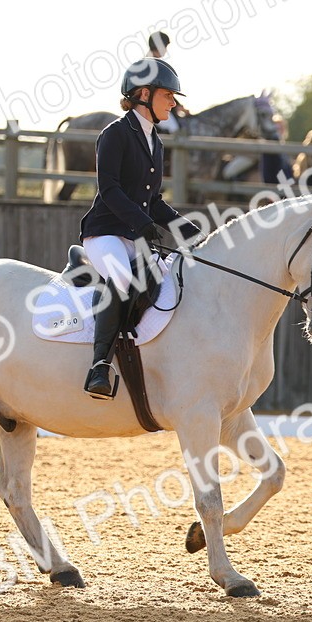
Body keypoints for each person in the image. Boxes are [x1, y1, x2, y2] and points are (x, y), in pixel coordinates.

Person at [79, 58, 203, 399]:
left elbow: (154, 199)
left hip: (134, 233)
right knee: (122, 277)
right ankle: (99, 367)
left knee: (165, 281)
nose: (174, 103)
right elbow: (110, 189)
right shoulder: (115, 134)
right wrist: (143, 224)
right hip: (104, 233)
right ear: (144, 94)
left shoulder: (156, 142)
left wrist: (183, 228)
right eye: (168, 95)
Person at [146, 31, 188, 134]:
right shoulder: (152, 63)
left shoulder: (152, 62)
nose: (165, 50)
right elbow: (160, 90)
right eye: (165, 47)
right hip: (151, 106)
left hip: (152, 103)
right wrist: (176, 105)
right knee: (174, 129)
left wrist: (177, 105)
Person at [259, 113, 294, 184]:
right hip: (277, 184)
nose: (279, 129)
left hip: (284, 183)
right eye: (277, 127)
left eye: (281, 127)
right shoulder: (270, 144)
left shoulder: (284, 147)